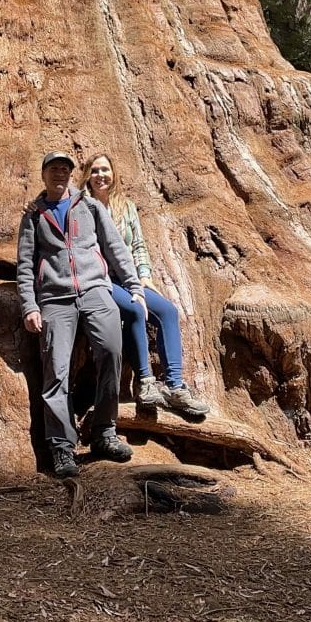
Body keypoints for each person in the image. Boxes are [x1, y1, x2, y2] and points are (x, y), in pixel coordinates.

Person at [16, 148, 142, 478]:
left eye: (65, 169)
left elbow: (114, 246)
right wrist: (30, 305)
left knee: (112, 352)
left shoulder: (88, 206)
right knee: (55, 371)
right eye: (53, 168)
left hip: (95, 290)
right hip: (55, 299)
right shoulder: (33, 215)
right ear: (43, 174)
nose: (60, 173)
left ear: (72, 174)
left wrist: (134, 286)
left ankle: (104, 432)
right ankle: (61, 446)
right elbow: (25, 265)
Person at [80, 153, 208, 423]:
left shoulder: (126, 207)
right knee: (136, 310)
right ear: (87, 176)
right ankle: (146, 382)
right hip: (101, 280)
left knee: (168, 312)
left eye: (105, 170)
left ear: (113, 174)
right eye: (94, 171)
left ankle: (174, 386)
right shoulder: (82, 208)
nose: (100, 175)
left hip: (129, 279)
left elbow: (138, 246)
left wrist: (145, 276)